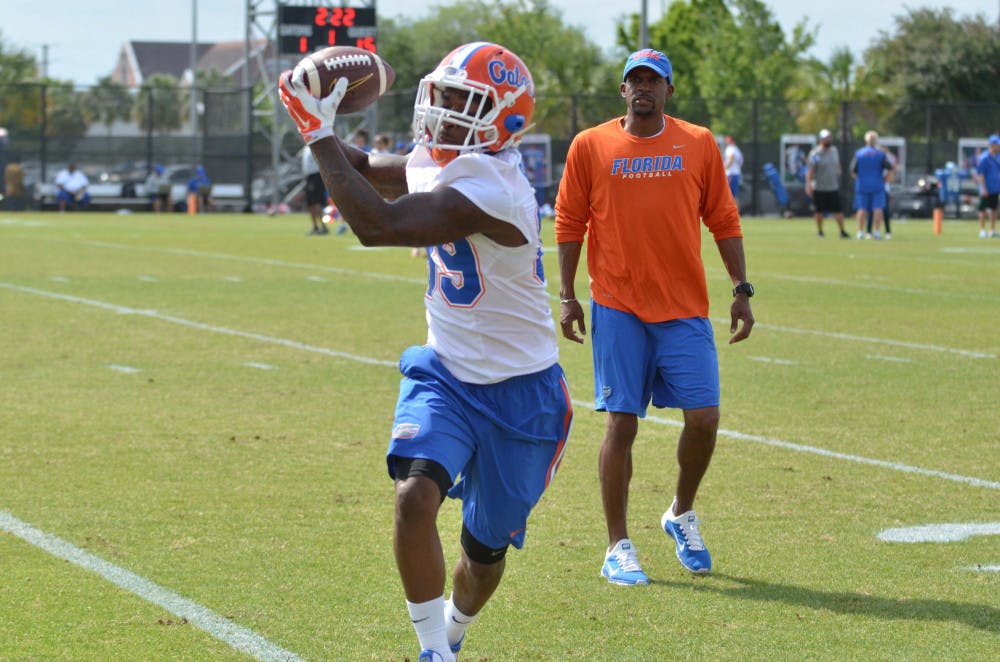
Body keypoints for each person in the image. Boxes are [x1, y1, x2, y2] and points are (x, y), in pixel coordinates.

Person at [279, 41, 573, 662]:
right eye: (442, 95)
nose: (444, 111)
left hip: (523, 394)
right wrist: (319, 118)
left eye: (464, 102)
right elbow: (369, 167)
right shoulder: (445, 158)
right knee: (414, 497)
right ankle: (432, 650)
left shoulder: (496, 186)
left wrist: (317, 132)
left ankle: (456, 629)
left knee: (483, 555)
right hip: (444, 373)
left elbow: (377, 226)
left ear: (506, 121)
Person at [554, 48, 754, 586]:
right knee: (622, 424)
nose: (643, 87)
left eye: (653, 80)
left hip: (684, 306)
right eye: (634, 79)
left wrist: (741, 287)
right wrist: (568, 296)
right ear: (622, 90)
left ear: (669, 90)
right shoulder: (590, 145)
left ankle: (680, 512)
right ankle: (617, 545)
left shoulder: (698, 142)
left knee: (704, 418)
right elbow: (569, 219)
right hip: (617, 305)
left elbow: (723, 217)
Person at [805, 129, 849, 238]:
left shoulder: (834, 151)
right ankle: (820, 231)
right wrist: (808, 185)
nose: (828, 140)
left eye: (829, 137)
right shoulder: (815, 154)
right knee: (819, 211)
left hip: (833, 186)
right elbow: (810, 171)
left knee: (838, 210)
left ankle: (842, 231)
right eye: (826, 138)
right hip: (819, 187)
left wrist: (838, 170)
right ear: (821, 140)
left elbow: (837, 164)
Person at [850, 131, 892, 239]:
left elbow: (853, 171)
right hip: (877, 184)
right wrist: (886, 179)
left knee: (861, 208)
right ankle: (877, 232)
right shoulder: (880, 154)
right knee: (878, 208)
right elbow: (890, 168)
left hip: (862, 185)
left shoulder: (859, 153)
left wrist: (860, 179)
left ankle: (860, 232)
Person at [975, 134, 1000, 238]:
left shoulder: (998, 157)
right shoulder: (984, 158)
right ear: (992, 145)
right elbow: (980, 175)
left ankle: (992, 230)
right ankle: (982, 230)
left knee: (993, 209)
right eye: (997, 145)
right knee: (982, 209)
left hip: (995, 187)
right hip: (986, 188)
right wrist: (984, 188)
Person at [300, 146, 329, 234]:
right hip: (308, 177)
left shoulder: (316, 146)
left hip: (316, 176)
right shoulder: (306, 148)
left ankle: (323, 226)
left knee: (317, 202)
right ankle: (315, 227)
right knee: (310, 203)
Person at [723, 134, 743, 201]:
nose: (726, 141)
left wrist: (724, 168)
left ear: (733, 141)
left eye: (728, 140)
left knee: (730, 196)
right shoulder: (736, 149)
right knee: (734, 196)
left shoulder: (731, 148)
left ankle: (733, 211)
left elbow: (731, 158)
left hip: (731, 174)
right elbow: (740, 162)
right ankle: (736, 211)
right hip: (735, 174)